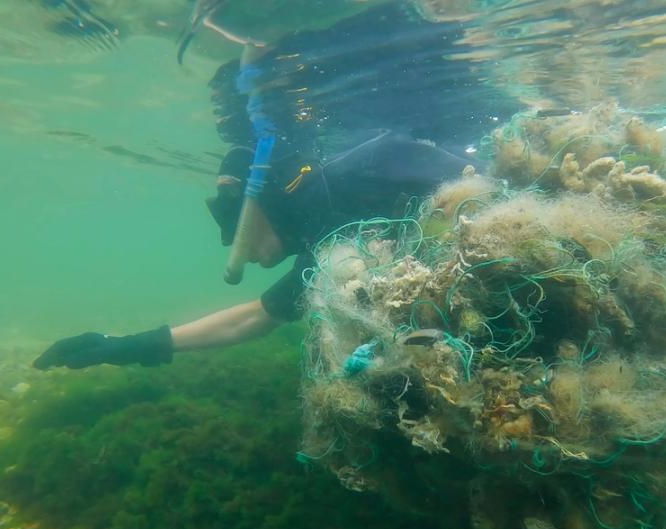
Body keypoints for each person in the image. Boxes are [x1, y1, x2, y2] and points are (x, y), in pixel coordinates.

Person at [34, 3, 518, 370]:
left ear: (260, 204)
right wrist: (122, 347)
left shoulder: (354, 175)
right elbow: (254, 317)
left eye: (240, 237)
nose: (252, 257)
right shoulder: (322, 242)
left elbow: (463, 175)